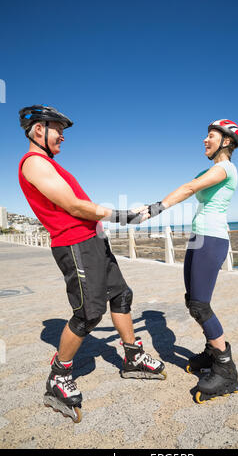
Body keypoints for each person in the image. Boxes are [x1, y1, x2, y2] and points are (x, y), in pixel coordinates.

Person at [18, 105, 166, 423]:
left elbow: (79, 205)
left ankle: (132, 357)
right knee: (88, 315)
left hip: (94, 243)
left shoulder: (50, 165)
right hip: (75, 246)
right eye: (58, 129)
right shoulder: (33, 163)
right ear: (39, 130)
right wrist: (123, 215)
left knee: (121, 295)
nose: (63, 137)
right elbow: (72, 205)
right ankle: (58, 378)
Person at [147, 119, 238, 403]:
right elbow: (189, 186)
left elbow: (190, 188)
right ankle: (213, 352)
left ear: (227, 141)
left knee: (201, 305)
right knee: (193, 301)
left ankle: (226, 370)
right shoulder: (210, 168)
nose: (205, 140)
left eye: (211, 136)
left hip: (212, 238)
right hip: (199, 237)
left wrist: (155, 209)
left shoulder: (225, 168)